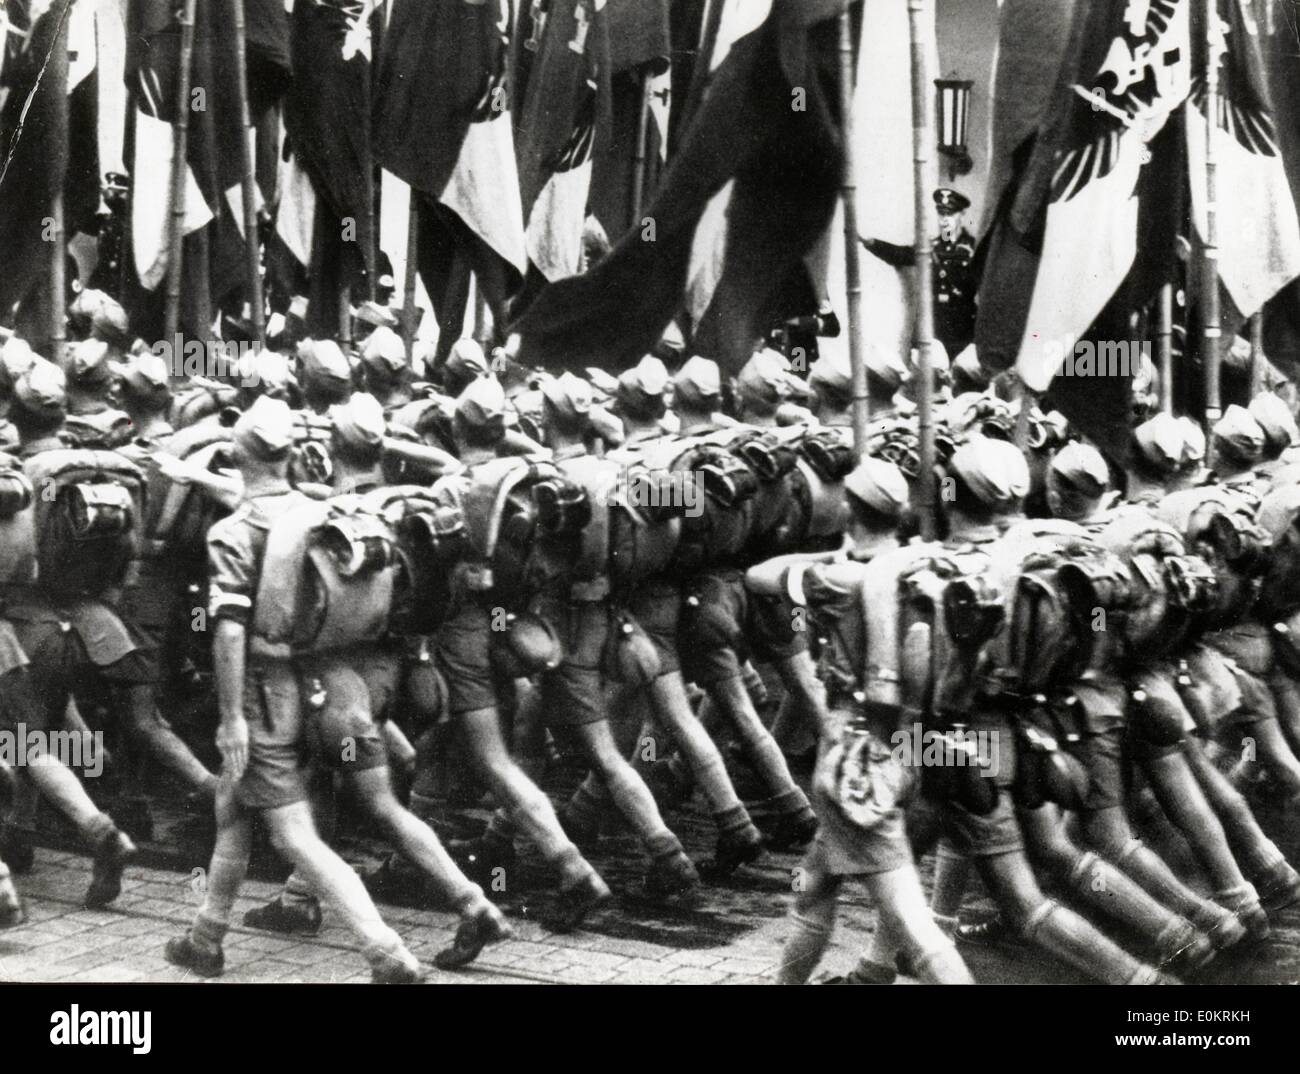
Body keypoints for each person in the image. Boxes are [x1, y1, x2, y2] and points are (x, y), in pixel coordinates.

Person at [239, 394, 512, 968]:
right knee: (322, 779)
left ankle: (471, 904)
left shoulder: (323, 525)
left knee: (379, 806)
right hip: (383, 681)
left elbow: (276, 620)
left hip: (335, 694)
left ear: (329, 449)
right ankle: (297, 899)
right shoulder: (392, 511)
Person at [163, 397, 423, 982]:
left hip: (262, 694)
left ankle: (385, 951)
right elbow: (255, 499)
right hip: (319, 684)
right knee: (232, 804)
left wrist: (231, 717)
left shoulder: (231, 533)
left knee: (291, 833)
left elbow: (228, 633)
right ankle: (205, 940)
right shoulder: (313, 507)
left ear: (238, 453)